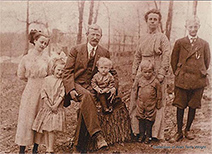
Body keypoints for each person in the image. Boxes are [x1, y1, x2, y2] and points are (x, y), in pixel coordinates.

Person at [62, 24, 118, 152]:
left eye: (98, 35)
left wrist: (114, 87)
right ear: (87, 35)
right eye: (92, 34)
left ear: (101, 37)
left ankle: (78, 146)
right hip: (77, 84)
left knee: (86, 106)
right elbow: (67, 72)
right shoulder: (76, 50)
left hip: (92, 86)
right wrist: (70, 89)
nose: (95, 37)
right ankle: (97, 135)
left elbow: (113, 72)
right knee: (87, 97)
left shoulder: (104, 52)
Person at [130, 9, 170, 141]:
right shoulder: (142, 37)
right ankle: (137, 131)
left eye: (155, 19)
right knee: (137, 99)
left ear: (159, 22)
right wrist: (134, 72)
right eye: (150, 19)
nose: (152, 22)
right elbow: (137, 55)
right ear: (147, 21)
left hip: (157, 68)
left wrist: (162, 73)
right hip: (143, 69)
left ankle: (154, 134)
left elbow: (166, 55)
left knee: (157, 101)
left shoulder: (162, 37)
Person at [170, 16, 210, 142]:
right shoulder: (180, 42)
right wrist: (178, 73)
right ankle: (178, 132)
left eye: (195, 26)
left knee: (193, 105)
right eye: (190, 27)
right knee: (180, 105)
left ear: (199, 27)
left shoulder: (204, 44)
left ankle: (187, 129)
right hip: (183, 79)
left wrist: (200, 71)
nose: (193, 29)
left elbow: (207, 61)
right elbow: (173, 60)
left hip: (198, 80)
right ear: (186, 28)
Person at [15, 29, 50, 154]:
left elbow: (50, 74)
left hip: (43, 91)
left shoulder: (47, 59)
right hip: (30, 90)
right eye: (41, 42)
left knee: (39, 118)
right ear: (35, 41)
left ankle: (36, 148)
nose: (43, 45)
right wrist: (32, 82)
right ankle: (22, 149)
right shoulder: (26, 58)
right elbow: (21, 75)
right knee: (26, 118)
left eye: (45, 43)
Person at [32, 58, 66, 153]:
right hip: (47, 108)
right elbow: (43, 92)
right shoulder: (47, 79)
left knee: (52, 129)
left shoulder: (62, 81)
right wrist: (48, 104)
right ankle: (48, 147)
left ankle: (50, 148)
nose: (60, 72)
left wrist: (55, 105)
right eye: (58, 70)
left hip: (56, 108)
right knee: (46, 128)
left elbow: (62, 94)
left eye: (62, 71)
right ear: (53, 68)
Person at [132, 60, 162, 144]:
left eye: (150, 72)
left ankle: (148, 135)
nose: (147, 74)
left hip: (151, 104)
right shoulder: (139, 80)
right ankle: (141, 135)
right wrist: (135, 100)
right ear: (141, 71)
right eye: (145, 72)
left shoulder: (155, 82)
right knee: (140, 118)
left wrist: (158, 103)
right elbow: (135, 91)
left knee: (149, 119)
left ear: (153, 71)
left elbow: (159, 93)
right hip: (141, 103)